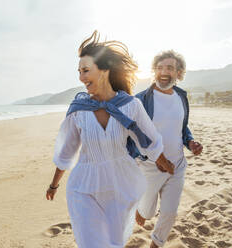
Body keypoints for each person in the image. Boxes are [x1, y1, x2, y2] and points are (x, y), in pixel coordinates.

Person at [45, 31, 174, 248]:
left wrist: (163, 161)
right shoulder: (78, 110)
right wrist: (54, 185)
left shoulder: (130, 105)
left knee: (114, 243)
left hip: (119, 184)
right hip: (84, 186)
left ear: (104, 70)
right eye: (79, 72)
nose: (81, 77)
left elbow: (149, 139)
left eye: (86, 70)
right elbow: (66, 152)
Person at [127, 50, 203, 248]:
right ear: (154, 71)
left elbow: (181, 127)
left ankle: (156, 244)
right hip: (150, 166)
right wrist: (153, 158)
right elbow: (133, 134)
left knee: (169, 212)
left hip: (177, 165)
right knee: (147, 213)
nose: (163, 71)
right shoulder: (141, 99)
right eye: (159, 67)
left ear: (179, 73)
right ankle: (141, 209)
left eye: (169, 67)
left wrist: (190, 142)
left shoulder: (181, 97)